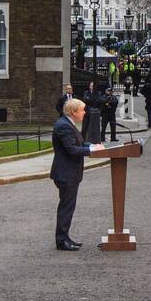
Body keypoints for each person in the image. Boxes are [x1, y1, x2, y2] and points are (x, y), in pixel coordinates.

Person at [51, 98, 104, 250]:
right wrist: (92, 151)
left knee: (68, 207)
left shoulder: (68, 124)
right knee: (66, 208)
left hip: (69, 173)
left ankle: (65, 238)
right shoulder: (64, 126)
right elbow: (72, 150)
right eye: (82, 110)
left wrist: (93, 145)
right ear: (74, 112)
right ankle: (62, 241)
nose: (85, 112)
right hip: (66, 173)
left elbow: (78, 143)